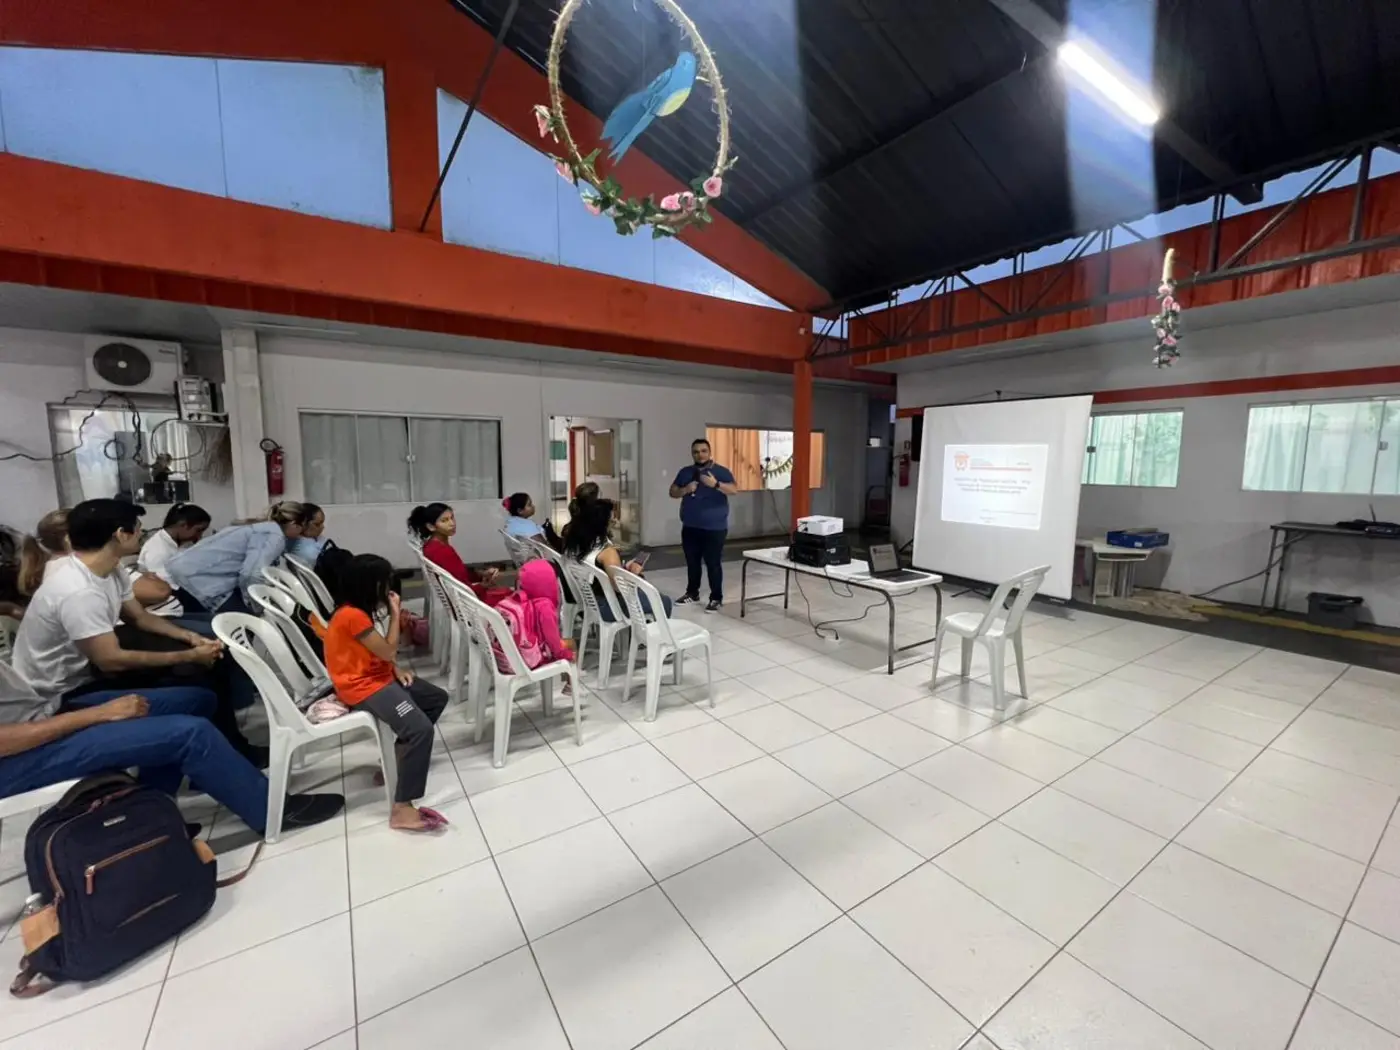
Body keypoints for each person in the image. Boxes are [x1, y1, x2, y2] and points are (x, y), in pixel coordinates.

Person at [12, 499, 266, 765]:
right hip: (63, 692)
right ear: (121, 535)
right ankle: (216, 755)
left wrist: (190, 638)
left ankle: (227, 751)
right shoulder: (78, 590)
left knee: (210, 664)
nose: (142, 534)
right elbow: (110, 660)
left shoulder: (111, 569)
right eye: (138, 529)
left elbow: (139, 617)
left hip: (89, 669)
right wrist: (190, 656)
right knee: (194, 676)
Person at [0, 663, 344, 835]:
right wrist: (99, 714)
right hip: (17, 757)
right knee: (190, 734)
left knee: (197, 700)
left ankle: (152, 815)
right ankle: (271, 813)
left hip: (45, 715)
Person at [324, 554, 449, 832]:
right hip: (362, 687)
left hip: (379, 676)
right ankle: (402, 808)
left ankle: (396, 761)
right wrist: (395, 614)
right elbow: (389, 648)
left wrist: (394, 668)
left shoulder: (358, 611)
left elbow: (380, 652)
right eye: (384, 581)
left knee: (436, 699)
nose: (389, 587)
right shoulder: (351, 616)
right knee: (420, 730)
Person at [166, 501, 308, 615]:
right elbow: (252, 574)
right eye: (302, 528)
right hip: (199, 580)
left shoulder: (260, 526)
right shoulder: (274, 536)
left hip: (185, 574)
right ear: (294, 525)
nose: (301, 535)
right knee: (247, 626)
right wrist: (255, 605)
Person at [563, 497, 672, 622]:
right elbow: (621, 588)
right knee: (664, 602)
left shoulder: (573, 542)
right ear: (602, 523)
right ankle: (653, 633)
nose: (614, 522)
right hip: (606, 607)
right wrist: (634, 575)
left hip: (584, 601)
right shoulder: (607, 552)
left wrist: (622, 569)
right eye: (611, 520)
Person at [670, 438, 737, 611]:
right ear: (692, 454)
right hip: (690, 526)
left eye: (703, 451)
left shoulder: (721, 471)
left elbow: (734, 490)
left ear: (710, 452)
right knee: (692, 562)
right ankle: (692, 593)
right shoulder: (685, 472)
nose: (700, 455)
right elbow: (673, 491)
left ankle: (716, 598)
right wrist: (685, 490)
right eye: (696, 452)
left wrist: (716, 484)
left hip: (714, 528)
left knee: (713, 563)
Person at [408, 503, 508, 605]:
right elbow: (464, 591)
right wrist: (485, 585)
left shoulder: (431, 546)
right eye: (444, 521)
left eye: (452, 518)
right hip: (470, 605)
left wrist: (482, 574)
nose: (452, 523)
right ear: (431, 527)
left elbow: (458, 575)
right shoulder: (442, 551)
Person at [493, 560, 574, 685]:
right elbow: (552, 639)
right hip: (528, 660)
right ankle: (570, 684)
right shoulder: (545, 606)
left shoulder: (517, 598)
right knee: (570, 645)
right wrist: (563, 654)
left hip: (503, 660)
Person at [137, 503, 213, 620]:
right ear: (183, 525)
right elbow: (168, 588)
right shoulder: (158, 550)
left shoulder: (179, 542)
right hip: (168, 603)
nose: (199, 536)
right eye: (198, 530)